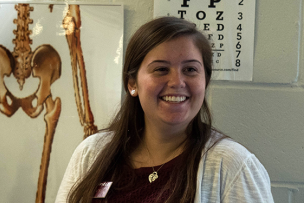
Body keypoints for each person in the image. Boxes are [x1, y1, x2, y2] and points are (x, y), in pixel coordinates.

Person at [55, 17, 274, 203]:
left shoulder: (232, 165)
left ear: (205, 81)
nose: (177, 82)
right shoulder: (92, 153)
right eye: (161, 69)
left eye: (190, 69)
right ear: (132, 83)